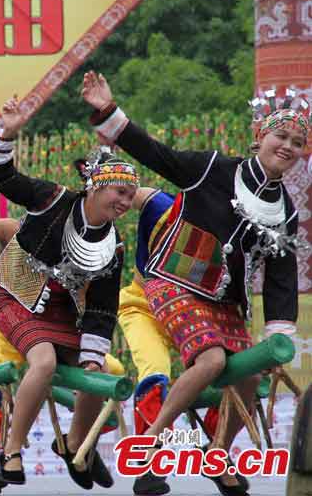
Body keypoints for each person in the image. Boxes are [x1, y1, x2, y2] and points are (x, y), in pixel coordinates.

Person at [82, 73, 304, 496]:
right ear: (260, 137)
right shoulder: (212, 169)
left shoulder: (285, 213)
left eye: (297, 142)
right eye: (282, 135)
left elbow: (281, 281)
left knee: (250, 377)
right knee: (213, 362)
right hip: (175, 281)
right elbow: (156, 155)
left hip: (224, 301)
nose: (288, 146)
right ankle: (149, 454)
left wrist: (278, 336)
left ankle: (216, 455)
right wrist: (109, 112)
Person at [0, 97, 138, 489]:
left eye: (128, 196)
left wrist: (90, 357)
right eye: (117, 192)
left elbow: (103, 308)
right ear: (95, 186)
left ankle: (72, 445)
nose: (123, 202)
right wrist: (8, 134)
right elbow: (2, 178)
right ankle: (11, 450)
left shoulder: (114, 246)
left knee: (97, 371)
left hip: (60, 310)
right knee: (45, 361)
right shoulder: (52, 199)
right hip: (16, 293)